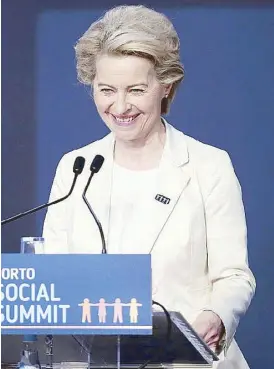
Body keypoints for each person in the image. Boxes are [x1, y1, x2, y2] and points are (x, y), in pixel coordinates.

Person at [42, 5, 256, 368]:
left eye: (136, 90)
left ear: (166, 86)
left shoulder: (208, 165)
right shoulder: (75, 168)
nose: (120, 106)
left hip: (186, 362)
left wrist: (216, 316)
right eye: (106, 89)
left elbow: (233, 276)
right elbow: (54, 279)